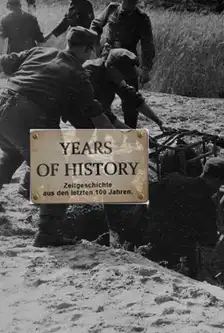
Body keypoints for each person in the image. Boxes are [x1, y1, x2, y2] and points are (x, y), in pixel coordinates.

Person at [0, 26, 114, 248]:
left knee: (11, 154)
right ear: (87, 50)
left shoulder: (39, 51)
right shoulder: (77, 72)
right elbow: (96, 117)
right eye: (91, 51)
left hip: (2, 105)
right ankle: (47, 234)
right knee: (57, 172)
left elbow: (4, 61)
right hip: (29, 115)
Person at [106, 157, 224, 279]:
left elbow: (145, 196)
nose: (217, 189)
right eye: (219, 185)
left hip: (146, 237)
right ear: (215, 178)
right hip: (172, 254)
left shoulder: (173, 179)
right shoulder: (207, 205)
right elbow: (208, 241)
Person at [65, 48, 166, 131]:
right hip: (76, 109)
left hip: (97, 111)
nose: (124, 79)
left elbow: (134, 99)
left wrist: (160, 122)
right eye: (123, 75)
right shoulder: (90, 74)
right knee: (91, 129)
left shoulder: (114, 75)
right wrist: (133, 134)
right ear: (112, 68)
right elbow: (102, 113)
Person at [90, 0, 155, 128]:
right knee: (103, 97)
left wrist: (145, 68)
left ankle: (130, 134)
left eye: (131, 2)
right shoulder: (112, 8)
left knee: (130, 100)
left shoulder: (142, 18)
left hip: (126, 59)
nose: (127, 4)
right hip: (107, 58)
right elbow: (95, 24)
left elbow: (148, 44)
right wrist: (96, 43)